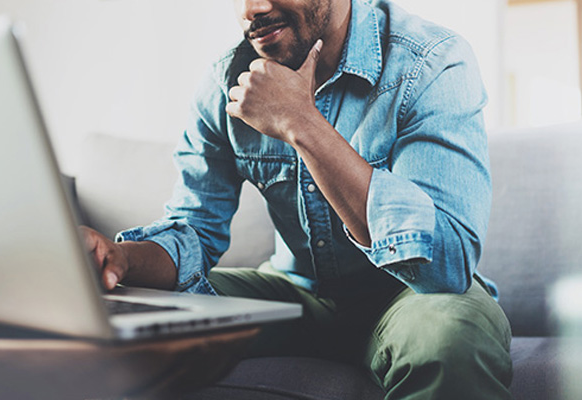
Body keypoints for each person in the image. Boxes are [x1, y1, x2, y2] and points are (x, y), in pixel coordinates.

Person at [81, 0, 513, 398]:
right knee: (132, 315)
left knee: (451, 335)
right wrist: (121, 259)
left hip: (410, 295)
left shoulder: (430, 62)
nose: (254, 8)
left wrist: (301, 122)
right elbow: (195, 230)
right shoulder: (225, 83)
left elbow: (448, 263)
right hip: (295, 293)